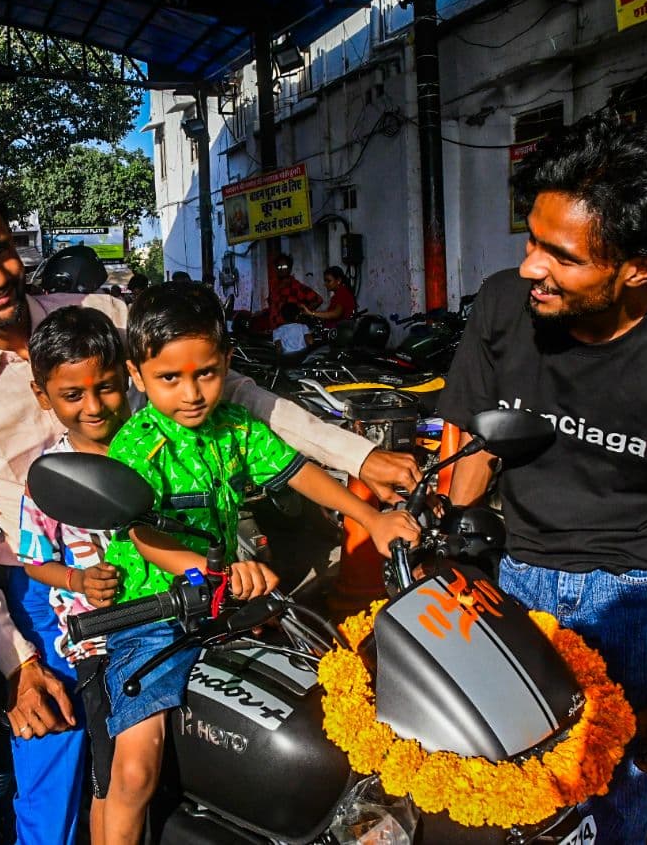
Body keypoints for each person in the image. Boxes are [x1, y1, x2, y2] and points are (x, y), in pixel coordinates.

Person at [0, 173, 424, 845]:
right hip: (52, 585)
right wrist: (20, 665)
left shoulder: (106, 315)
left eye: (1, 250)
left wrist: (356, 454)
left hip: (187, 559)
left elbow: (237, 398)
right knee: (61, 770)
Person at [437, 112, 647, 842]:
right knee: (496, 799)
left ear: (640, 265)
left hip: (638, 601)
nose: (532, 266)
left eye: (561, 256)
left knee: (609, 814)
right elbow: (470, 441)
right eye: (531, 240)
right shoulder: (505, 306)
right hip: (516, 581)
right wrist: (445, 563)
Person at [101, 282, 421, 843]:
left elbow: (298, 471)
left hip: (223, 610)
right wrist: (206, 566)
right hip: (152, 619)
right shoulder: (137, 443)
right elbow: (145, 535)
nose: (192, 393)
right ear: (137, 373)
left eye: (206, 372)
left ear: (226, 362)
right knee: (134, 770)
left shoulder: (237, 427)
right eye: (169, 379)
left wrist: (370, 519)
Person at [17, 305, 131, 844]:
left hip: (173, 627)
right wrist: (79, 583)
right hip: (96, 647)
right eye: (72, 395)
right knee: (111, 780)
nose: (94, 407)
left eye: (106, 388)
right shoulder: (45, 479)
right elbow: (34, 560)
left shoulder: (154, 450)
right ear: (43, 396)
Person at [265, 252, 320, 331]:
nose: (281, 269)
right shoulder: (274, 288)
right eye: (278, 266)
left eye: (284, 266)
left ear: (290, 269)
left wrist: (301, 314)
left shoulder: (296, 287)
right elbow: (273, 308)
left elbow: (318, 300)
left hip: (292, 331)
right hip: (276, 331)